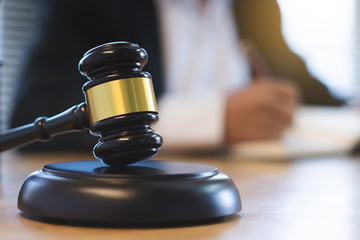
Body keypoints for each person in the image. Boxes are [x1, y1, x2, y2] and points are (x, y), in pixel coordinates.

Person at [4, 0, 343, 152]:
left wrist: (349, 108)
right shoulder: (94, 5)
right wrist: (214, 118)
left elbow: (296, 80)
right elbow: (35, 114)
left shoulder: (253, 5)